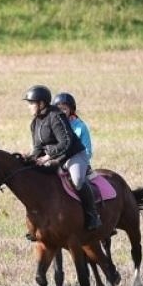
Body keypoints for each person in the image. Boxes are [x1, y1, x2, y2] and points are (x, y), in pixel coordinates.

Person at [26, 84, 100, 231]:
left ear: (41, 104)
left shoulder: (56, 117)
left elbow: (66, 142)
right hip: (56, 158)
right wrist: (28, 159)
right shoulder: (35, 122)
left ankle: (93, 216)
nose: (29, 107)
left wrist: (47, 157)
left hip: (74, 155)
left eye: (31, 103)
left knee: (78, 180)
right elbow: (37, 147)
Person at [54, 92, 93, 159]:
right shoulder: (52, 126)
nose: (61, 112)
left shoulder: (81, 127)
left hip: (77, 161)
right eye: (59, 109)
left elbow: (87, 152)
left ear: (71, 110)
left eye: (64, 109)